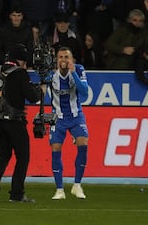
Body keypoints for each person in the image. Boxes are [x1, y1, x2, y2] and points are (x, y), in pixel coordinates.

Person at [0, 45, 43, 203]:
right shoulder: (20, 74)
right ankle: (16, 194)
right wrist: (40, 90)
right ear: (19, 60)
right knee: (23, 157)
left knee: (3, 155)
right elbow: (32, 97)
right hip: (15, 121)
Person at [49, 46, 89, 200]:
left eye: (66, 57)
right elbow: (40, 90)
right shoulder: (51, 74)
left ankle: (77, 185)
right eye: (60, 57)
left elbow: (85, 92)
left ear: (72, 60)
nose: (63, 60)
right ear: (56, 60)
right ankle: (59, 189)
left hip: (75, 115)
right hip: (58, 117)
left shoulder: (78, 70)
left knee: (83, 143)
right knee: (56, 147)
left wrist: (74, 74)